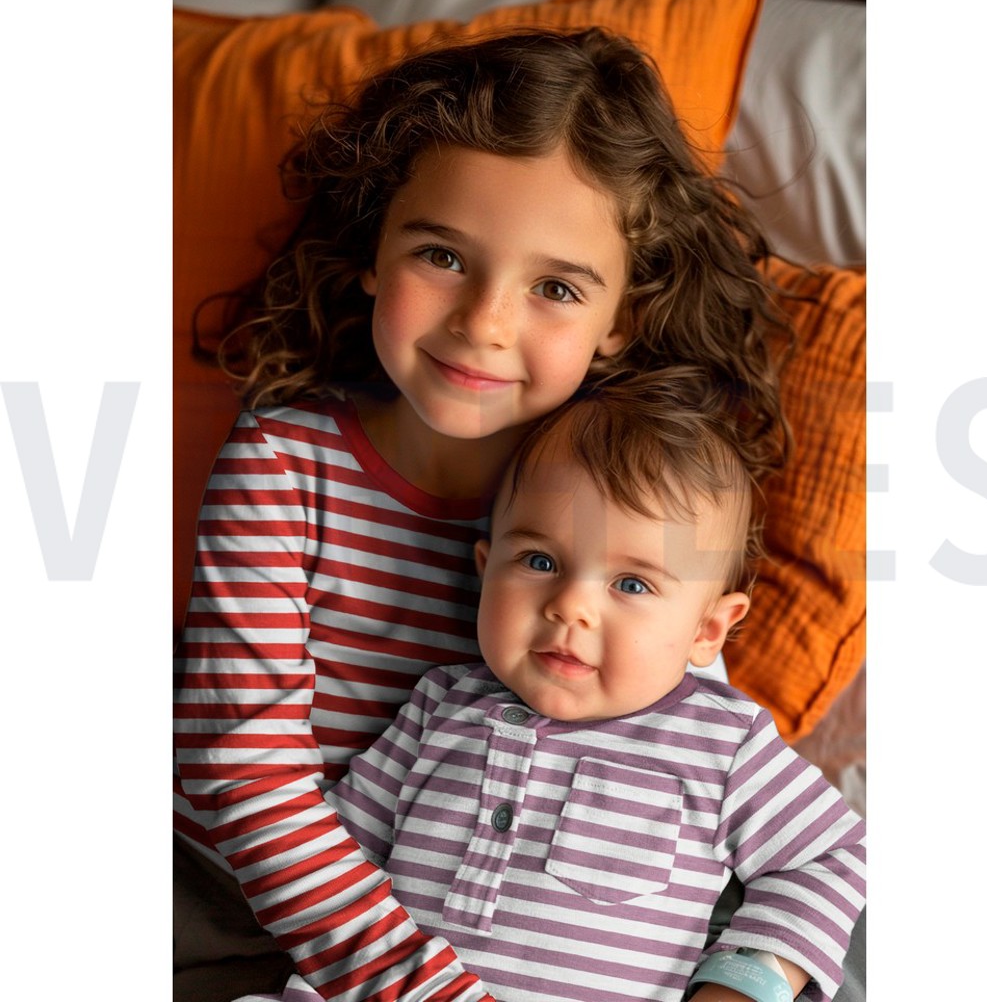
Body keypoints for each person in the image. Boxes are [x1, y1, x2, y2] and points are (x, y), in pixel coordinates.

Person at [173, 27, 794, 1002]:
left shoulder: (634, 499)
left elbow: (680, 741)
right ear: (373, 250)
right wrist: (427, 988)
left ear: (621, 319)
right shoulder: (284, 464)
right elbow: (243, 776)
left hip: (467, 932)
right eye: (442, 255)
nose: (484, 322)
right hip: (229, 902)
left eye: (555, 287)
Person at [239, 369, 866, 1002]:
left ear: (707, 630)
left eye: (632, 584)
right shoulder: (438, 707)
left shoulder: (723, 745)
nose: (571, 606)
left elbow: (833, 855)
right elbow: (334, 861)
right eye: (540, 562)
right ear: (486, 570)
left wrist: (744, 984)